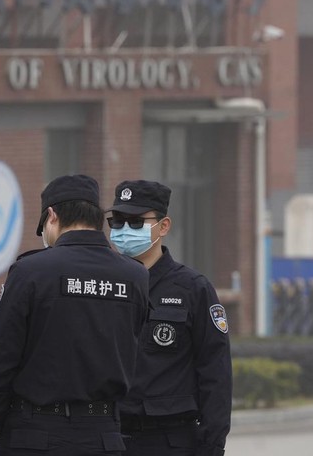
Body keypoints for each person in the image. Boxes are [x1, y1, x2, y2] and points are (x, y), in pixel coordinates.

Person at [0, 174, 149, 456]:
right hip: (104, 435)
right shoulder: (135, 275)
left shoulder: (31, 271)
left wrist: (4, 421)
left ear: (52, 216)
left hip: (34, 432)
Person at [107, 180, 231, 456]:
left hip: (170, 439)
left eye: (136, 222)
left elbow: (215, 372)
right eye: (117, 221)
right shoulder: (103, 285)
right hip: (108, 437)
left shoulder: (192, 288)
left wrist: (212, 445)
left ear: (163, 226)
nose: (125, 230)